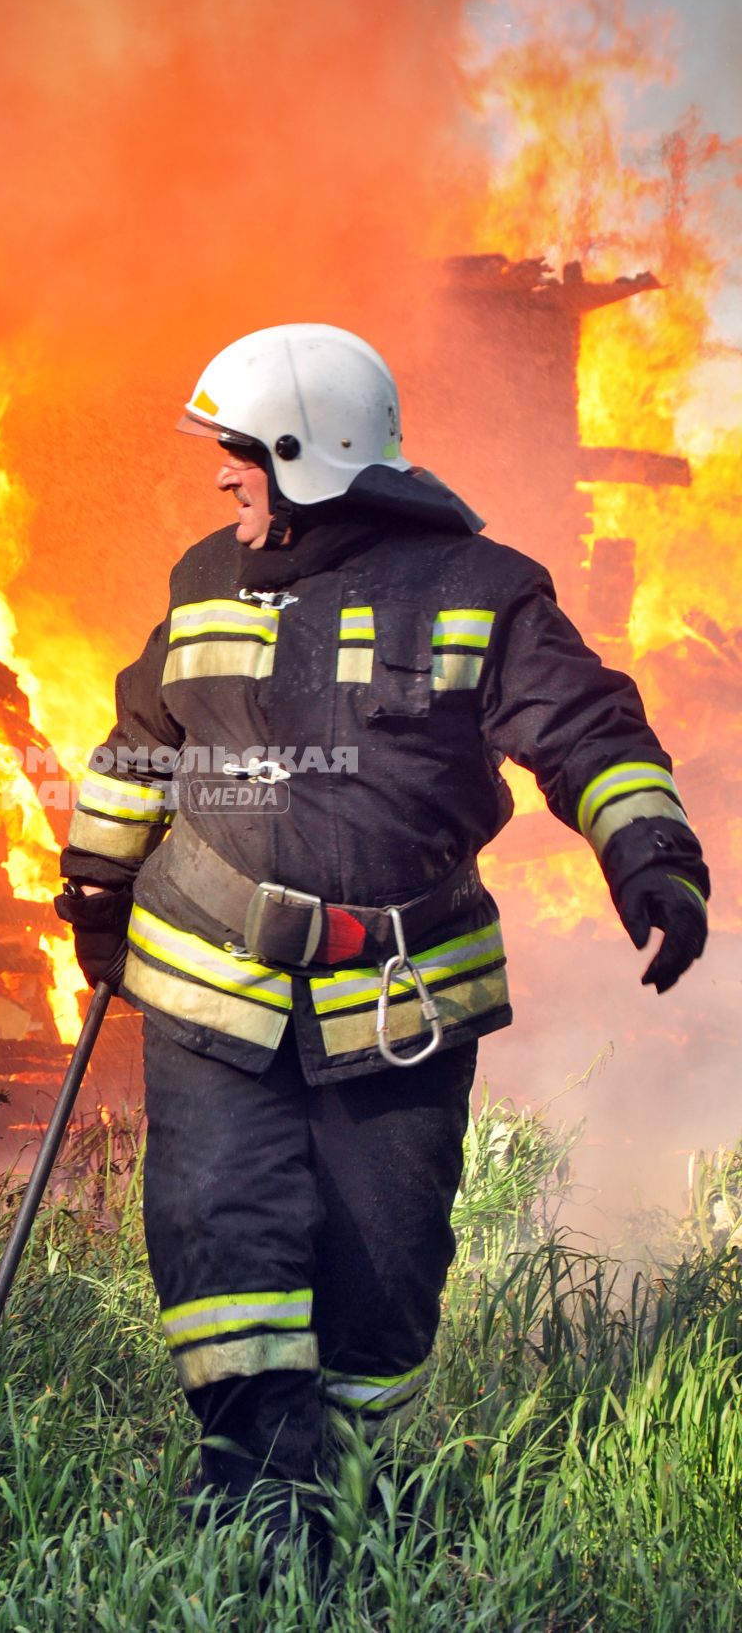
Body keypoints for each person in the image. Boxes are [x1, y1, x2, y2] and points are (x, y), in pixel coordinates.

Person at [54, 323, 710, 1529]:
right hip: (212, 980)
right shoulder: (204, 575)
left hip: (399, 1003)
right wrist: (94, 890)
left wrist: (649, 854)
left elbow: (588, 732)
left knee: (383, 1280)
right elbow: (140, 746)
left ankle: (341, 1503)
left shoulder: (483, 590)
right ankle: (260, 1515)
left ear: (304, 454)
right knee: (219, 1239)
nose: (219, 477)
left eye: (238, 453)